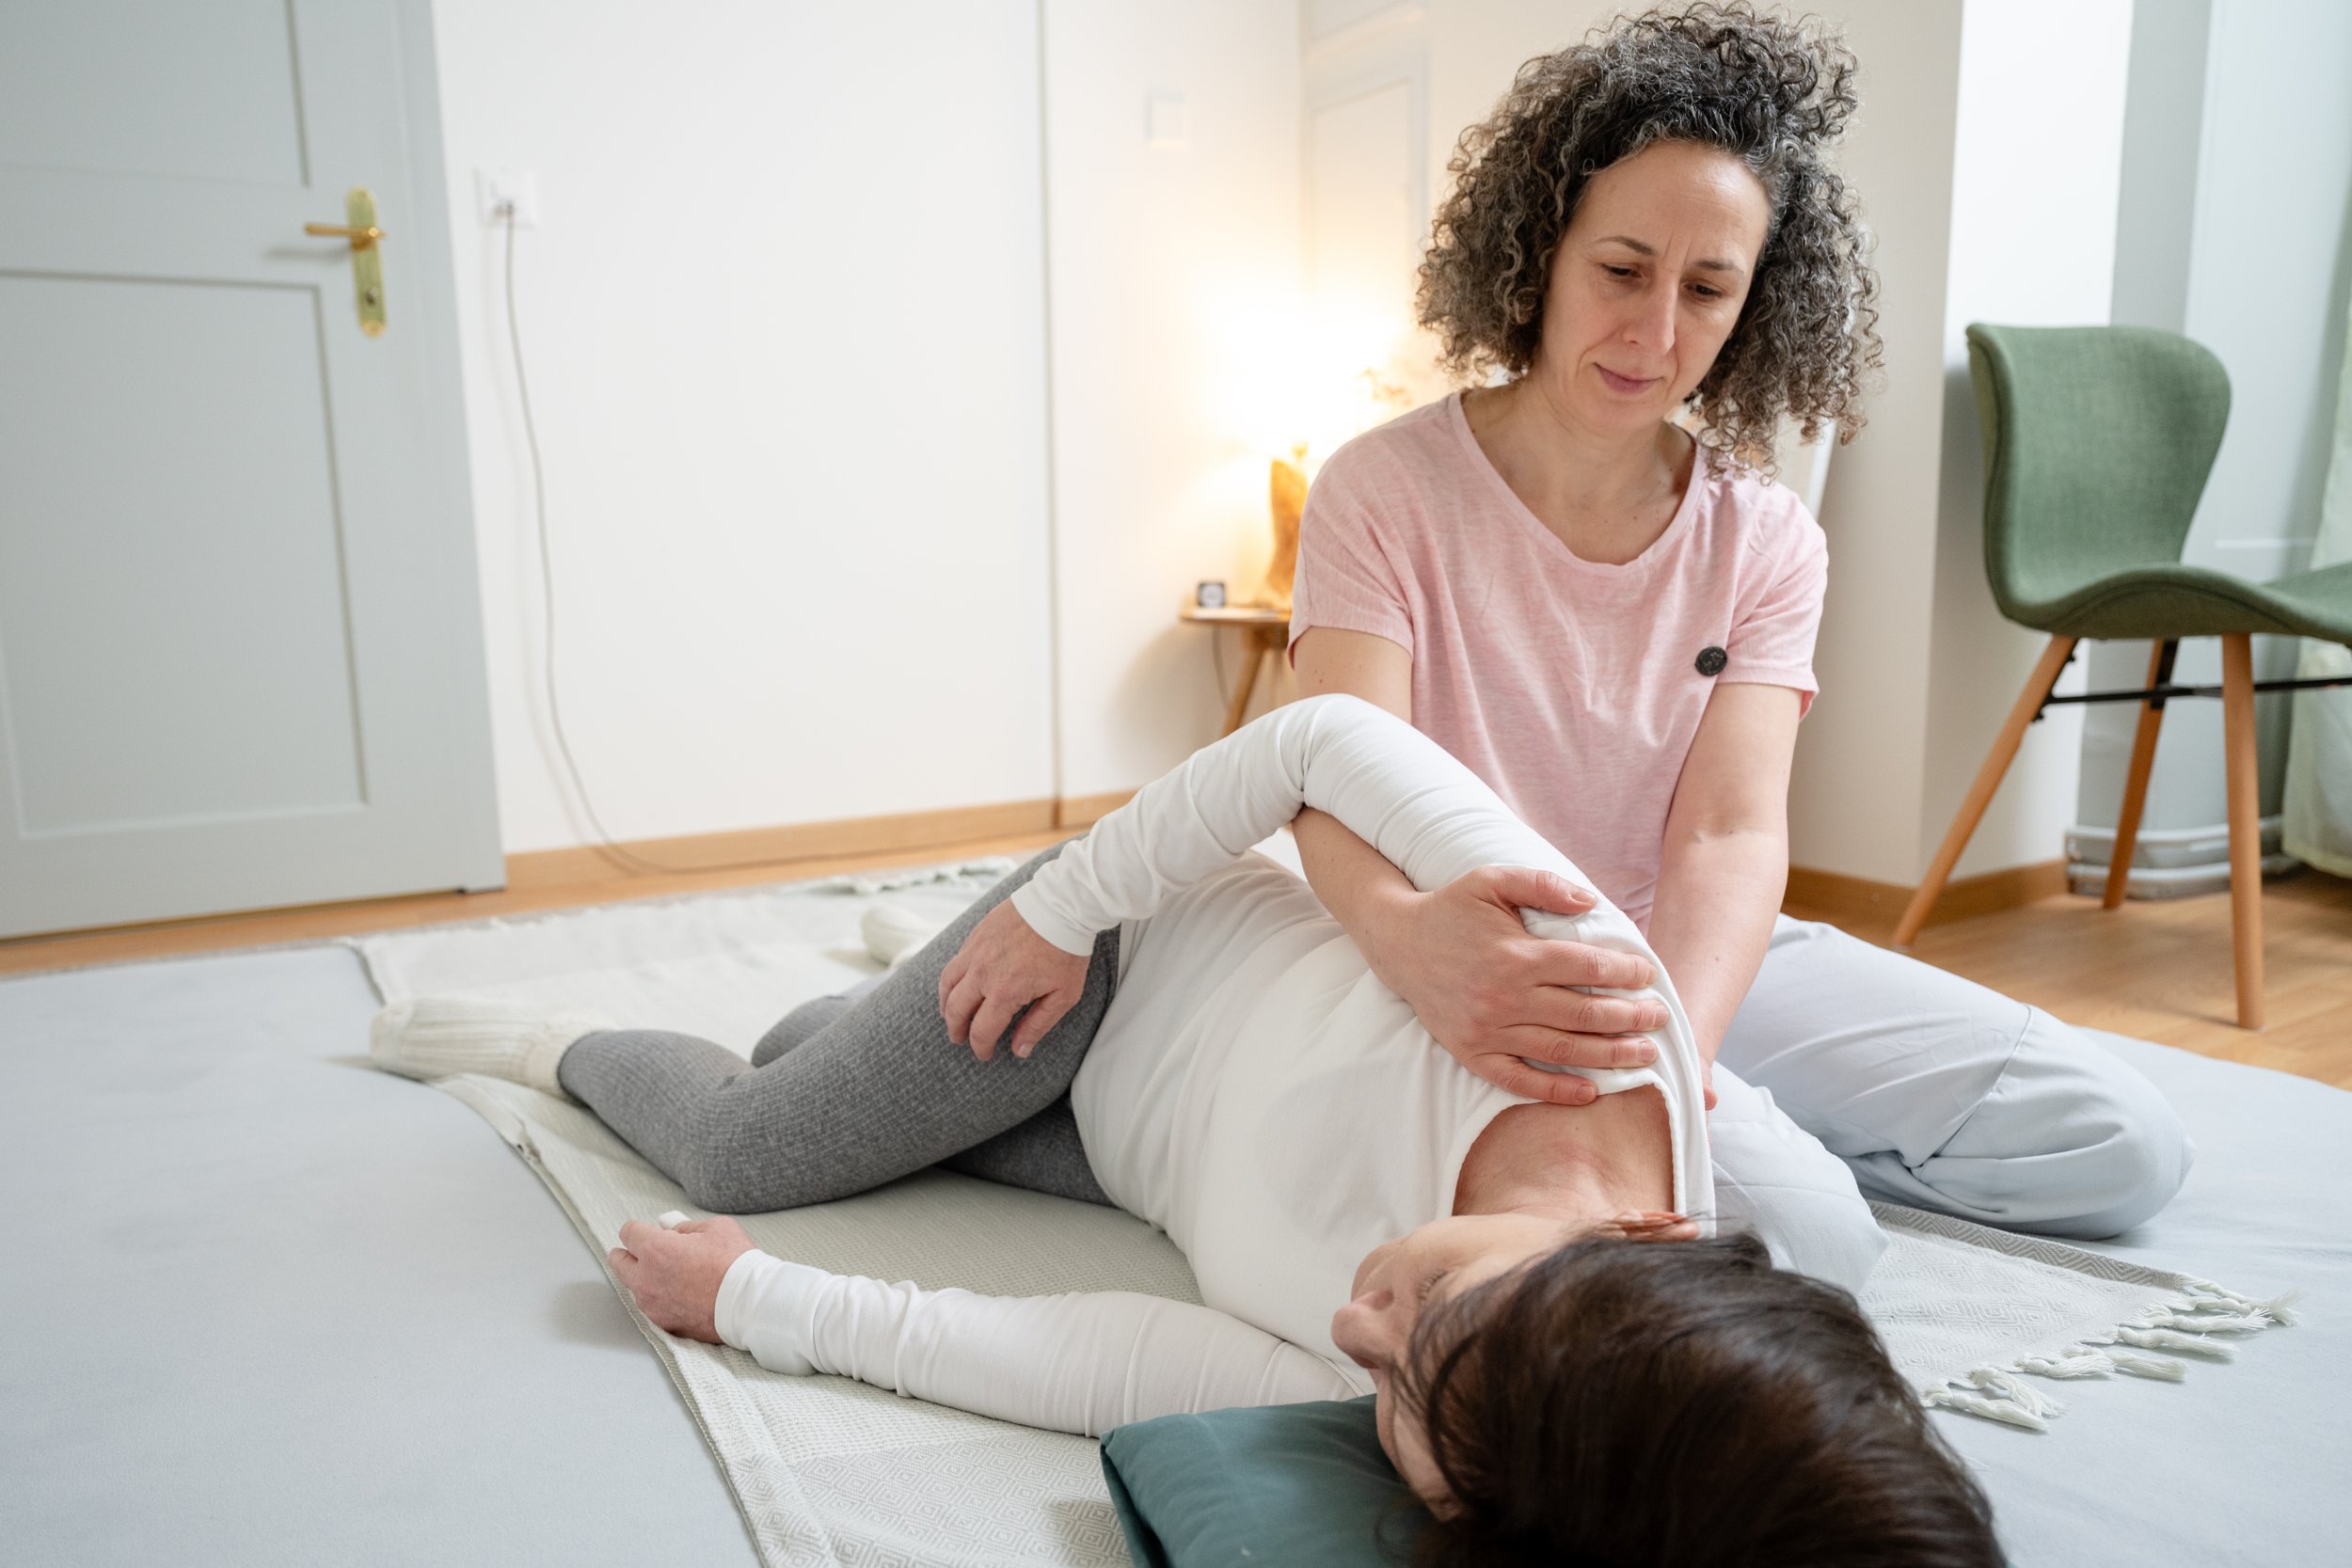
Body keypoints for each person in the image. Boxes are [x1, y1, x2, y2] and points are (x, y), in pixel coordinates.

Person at [371, 696, 1994, 1563]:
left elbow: (1105, 1361)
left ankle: (882, 991)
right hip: (1111, 972)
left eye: (1377, 1381)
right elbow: (1311, 741)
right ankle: (557, 1036)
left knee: (824, 1067)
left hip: (1132, 1155)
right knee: (749, 1151)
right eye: (1421, 1306)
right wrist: (1069, 907)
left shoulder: (1474, 1403)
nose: (1354, 1324)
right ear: (1655, 1237)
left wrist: (769, 1306)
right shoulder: (1573, 999)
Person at [1283, 3, 2189, 1241]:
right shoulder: (1381, 488)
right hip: (1475, 953)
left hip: (1681, 949)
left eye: (1708, 290)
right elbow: (1334, 782)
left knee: (2119, 1147)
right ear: (1539, 251)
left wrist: (1681, 1058)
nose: (1655, 334)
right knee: (1810, 1245)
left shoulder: (1767, 536)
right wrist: (1410, 943)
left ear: (1755, 307)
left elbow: (1727, 833)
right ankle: (1741, 1158)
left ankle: (1748, 1122)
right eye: (1621, 270)